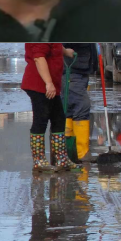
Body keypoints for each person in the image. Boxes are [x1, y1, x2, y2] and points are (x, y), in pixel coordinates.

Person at [22, 43, 79, 172]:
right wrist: (48, 83)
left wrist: (65, 51)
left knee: (59, 119)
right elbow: (38, 58)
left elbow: (53, 46)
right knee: (41, 120)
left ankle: (61, 159)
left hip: (50, 86)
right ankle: (39, 161)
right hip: (39, 85)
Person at [63, 43, 96, 161]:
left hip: (81, 68)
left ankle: (70, 152)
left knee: (70, 108)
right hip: (72, 67)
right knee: (82, 106)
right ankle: (82, 153)